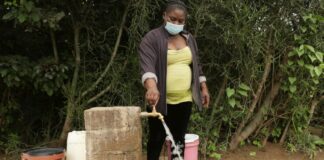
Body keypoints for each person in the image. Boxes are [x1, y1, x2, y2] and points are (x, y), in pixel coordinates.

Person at [139, 0, 210, 159]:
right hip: (159, 101)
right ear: (164, 16)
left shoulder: (189, 38)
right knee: (156, 141)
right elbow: (147, 65)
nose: (176, 23)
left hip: (184, 100)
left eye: (181, 21)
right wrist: (151, 87)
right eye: (172, 19)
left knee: (178, 140)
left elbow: (197, 65)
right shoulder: (152, 38)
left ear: (185, 21)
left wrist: (203, 87)